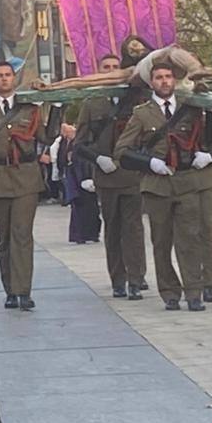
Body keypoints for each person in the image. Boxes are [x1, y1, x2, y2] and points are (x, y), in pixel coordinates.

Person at [115, 62, 212, 312]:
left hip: (186, 183)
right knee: (162, 243)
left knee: (190, 240)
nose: (164, 81)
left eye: (168, 77)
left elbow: (210, 139)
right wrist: (149, 162)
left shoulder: (190, 109)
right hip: (157, 185)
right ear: (151, 83)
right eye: (159, 78)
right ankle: (169, 292)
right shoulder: (142, 113)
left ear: (175, 80)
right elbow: (121, 150)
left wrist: (205, 154)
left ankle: (194, 292)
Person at [0, 61, 51, 311]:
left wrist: (54, 107)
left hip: (26, 176)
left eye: (8, 75)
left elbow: (46, 137)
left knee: (22, 234)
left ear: (14, 78)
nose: (4, 80)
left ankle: (22, 291)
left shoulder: (28, 108)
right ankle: (9, 291)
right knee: (4, 237)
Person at [74, 53, 148, 300]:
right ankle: (118, 279)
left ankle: (136, 279)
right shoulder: (92, 103)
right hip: (106, 176)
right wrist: (97, 159)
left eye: (116, 67)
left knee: (134, 230)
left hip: (132, 173)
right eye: (106, 67)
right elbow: (80, 143)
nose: (111, 71)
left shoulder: (136, 101)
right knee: (113, 228)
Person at [62, 122, 102, 244]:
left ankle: (92, 234)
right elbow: (71, 162)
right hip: (78, 180)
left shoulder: (88, 144)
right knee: (80, 209)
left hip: (88, 178)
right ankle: (80, 235)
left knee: (92, 209)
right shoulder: (75, 146)